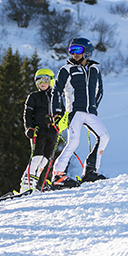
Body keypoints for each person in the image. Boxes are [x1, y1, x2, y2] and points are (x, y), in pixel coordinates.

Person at [51, 37, 109, 187]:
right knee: (74, 142)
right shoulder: (66, 69)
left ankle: (90, 171)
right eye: (71, 51)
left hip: (90, 112)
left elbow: (99, 91)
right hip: (74, 111)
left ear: (87, 52)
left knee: (104, 137)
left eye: (77, 50)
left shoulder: (95, 69)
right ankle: (58, 175)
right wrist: (56, 112)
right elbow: (56, 91)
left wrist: (94, 106)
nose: (74, 54)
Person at [20, 68, 63, 193]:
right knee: (37, 157)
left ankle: (34, 184)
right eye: (38, 81)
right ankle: (25, 186)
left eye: (44, 80)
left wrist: (56, 120)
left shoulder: (56, 96)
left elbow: (62, 113)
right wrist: (29, 128)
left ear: (51, 80)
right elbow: (27, 114)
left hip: (53, 131)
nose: (41, 83)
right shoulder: (34, 96)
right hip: (39, 130)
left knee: (45, 159)